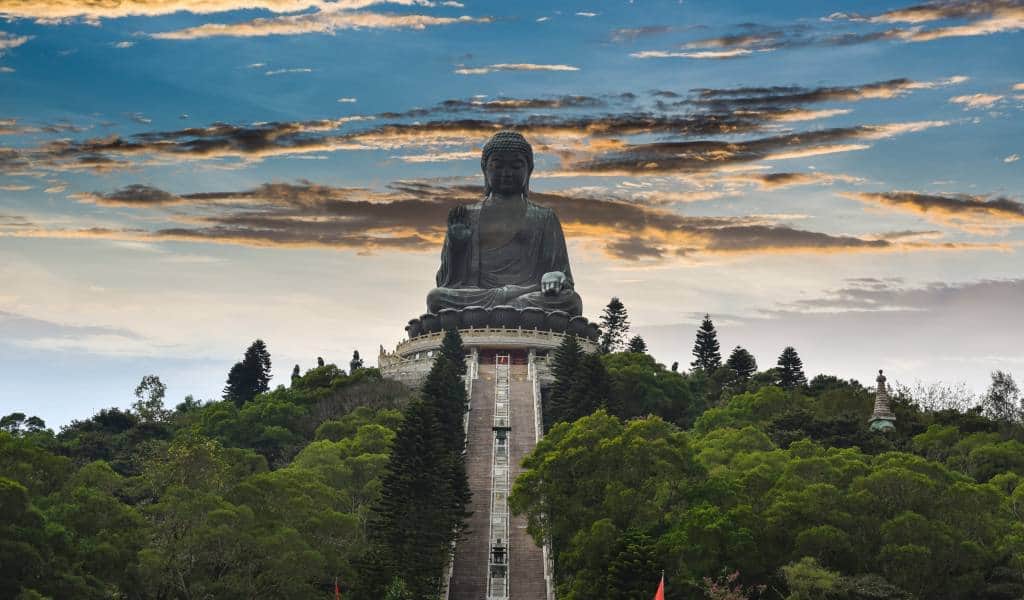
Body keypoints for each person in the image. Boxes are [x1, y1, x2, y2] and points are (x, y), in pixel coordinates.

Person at [426, 130, 583, 315]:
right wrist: (457, 246)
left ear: (529, 170)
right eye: (498, 165)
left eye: (516, 166)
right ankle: (506, 311)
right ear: (485, 169)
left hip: (527, 295)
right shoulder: (467, 215)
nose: (507, 173)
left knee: (571, 302)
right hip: (480, 297)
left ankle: (500, 312)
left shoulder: (544, 217)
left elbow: (563, 277)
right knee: (436, 298)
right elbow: (447, 282)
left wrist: (556, 276)